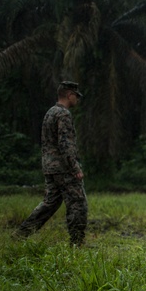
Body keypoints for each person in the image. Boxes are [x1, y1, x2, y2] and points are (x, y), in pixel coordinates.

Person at [14, 81, 88, 246]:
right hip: (63, 167)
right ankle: (77, 243)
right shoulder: (63, 114)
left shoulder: (50, 113)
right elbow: (65, 144)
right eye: (76, 96)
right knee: (77, 203)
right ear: (69, 95)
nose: (77, 99)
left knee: (50, 204)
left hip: (50, 167)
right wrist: (74, 167)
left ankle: (20, 235)